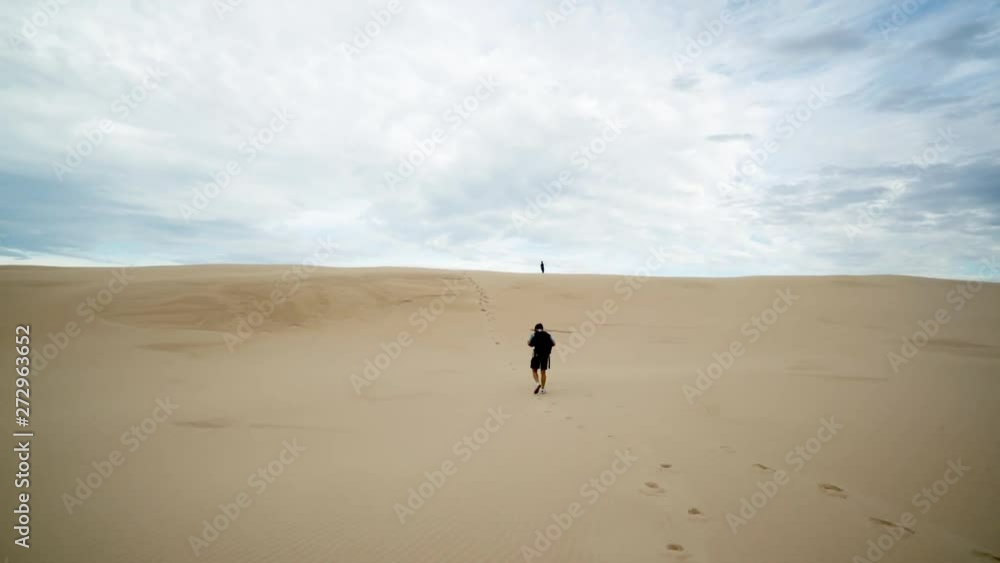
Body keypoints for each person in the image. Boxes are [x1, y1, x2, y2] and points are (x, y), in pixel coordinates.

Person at [528, 323, 555, 394]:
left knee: (534, 370)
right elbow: (554, 343)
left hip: (536, 355)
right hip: (545, 356)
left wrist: (532, 338)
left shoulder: (534, 335)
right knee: (543, 372)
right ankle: (542, 389)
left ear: (535, 329)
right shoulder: (548, 335)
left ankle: (537, 383)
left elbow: (529, 343)